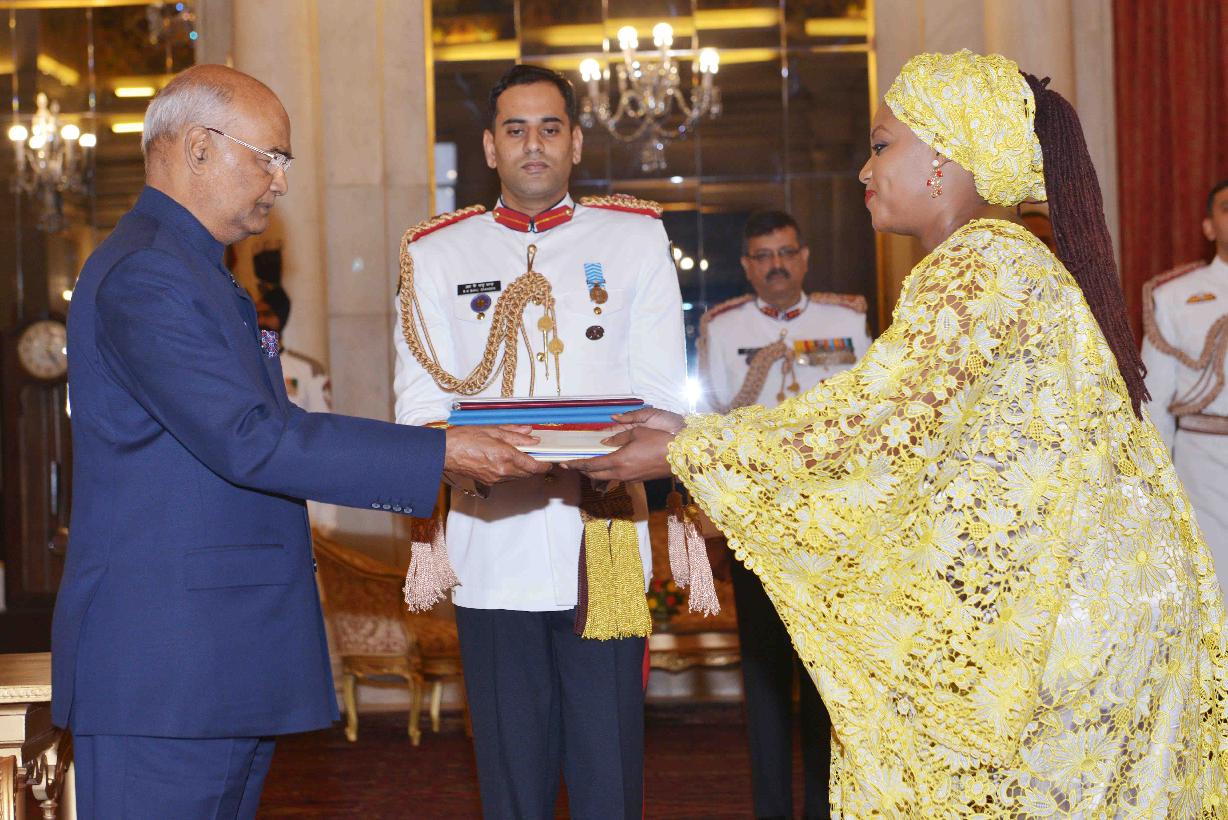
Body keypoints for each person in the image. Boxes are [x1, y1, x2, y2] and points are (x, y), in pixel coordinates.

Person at [571, 50, 1228, 814]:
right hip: (1093, 613)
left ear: (944, 156)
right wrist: (693, 429)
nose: (864, 169)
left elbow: (872, 429)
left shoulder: (977, 266)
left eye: (882, 145)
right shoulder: (1012, 260)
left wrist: (689, 449)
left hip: (1063, 634)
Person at [52, 64, 548, 820]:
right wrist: (440, 452)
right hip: (167, 670)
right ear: (198, 147)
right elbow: (249, 439)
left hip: (209, 661)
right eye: (270, 158)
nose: (280, 182)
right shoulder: (149, 273)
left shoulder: (189, 267)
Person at [392, 64, 686, 818]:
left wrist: (633, 445)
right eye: (516, 129)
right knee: (512, 781)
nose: (533, 144)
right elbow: (418, 414)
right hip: (493, 542)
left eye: (550, 128)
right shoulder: (436, 253)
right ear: (490, 147)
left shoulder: (634, 238)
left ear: (576, 142)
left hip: (606, 536)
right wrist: (477, 455)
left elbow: (663, 401)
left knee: (609, 774)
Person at [696, 209, 871, 820]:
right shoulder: (723, 328)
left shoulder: (847, 321)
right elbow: (712, 425)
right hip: (760, 528)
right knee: (766, 677)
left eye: (786, 253)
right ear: (747, 266)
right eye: (763, 256)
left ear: (804, 257)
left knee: (830, 680)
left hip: (834, 528)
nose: (776, 266)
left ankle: (829, 808)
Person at [1143, 179, 1228, 594]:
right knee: (1214, 584)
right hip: (1205, 460)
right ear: (1208, 227)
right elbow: (1155, 400)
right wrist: (1156, 483)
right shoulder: (1175, 296)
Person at [255, 282, 338, 533]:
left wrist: (327, 517)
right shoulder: (245, 365)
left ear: (281, 319)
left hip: (299, 479)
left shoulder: (305, 369)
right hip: (258, 477)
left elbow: (324, 435)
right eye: (257, 314)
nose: (261, 321)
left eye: (267, 314)